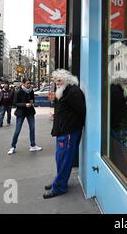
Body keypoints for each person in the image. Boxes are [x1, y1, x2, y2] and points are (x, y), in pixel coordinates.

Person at [43, 69, 86, 199]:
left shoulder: (73, 92)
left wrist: (69, 122)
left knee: (64, 159)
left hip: (69, 131)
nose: (57, 82)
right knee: (60, 158)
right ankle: (59, 181)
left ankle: (59, 186)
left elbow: (81, 111)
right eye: (56, 80)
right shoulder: (64, 91)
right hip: (63, 130)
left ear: (67, 79)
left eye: (59, 80)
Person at [109, 81, 127, 183]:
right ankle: (126, 175)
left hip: (117, 125)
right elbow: (118, 110)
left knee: (119, 150)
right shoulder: (116, 90)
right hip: (119, 126)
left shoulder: (115, 89)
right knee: (122, 151)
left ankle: (120, 173)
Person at [7, 78, 42, 155]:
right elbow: (15, 103)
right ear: (23, 84)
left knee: (32, 128)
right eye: (27, 83)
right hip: (21, 112)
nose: (29, 85)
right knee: (17, 130)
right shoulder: (18, 91)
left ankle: (33, 145)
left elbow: (32, 99)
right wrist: (25, 104)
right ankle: (12, 146)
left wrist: (32, 101)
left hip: (30, 112)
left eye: (30, 83)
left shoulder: (31, 90)